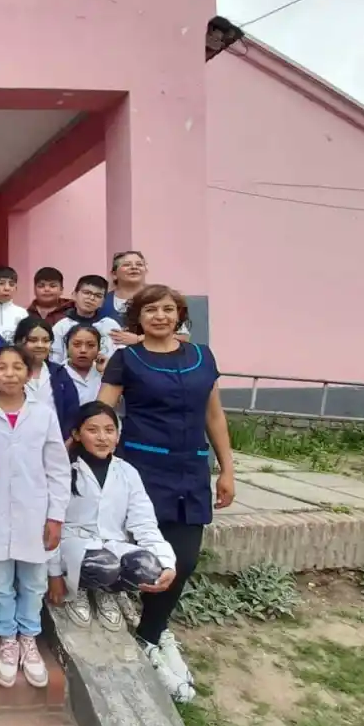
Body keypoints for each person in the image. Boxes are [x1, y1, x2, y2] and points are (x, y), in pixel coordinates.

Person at [97, 285, 235, 703]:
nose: (160, 316)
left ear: (180, 315)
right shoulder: (127, 358)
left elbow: (213, 413)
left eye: (168, 309)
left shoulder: (202, 357)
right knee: (140, 554)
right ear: (138, 317)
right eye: (151, 309)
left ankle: (151, 635)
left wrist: (227, 468)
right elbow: (102, 413)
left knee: (185, 558)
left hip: (191, 469)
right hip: (141, 470)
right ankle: (138, 626)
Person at [0, 345, 71, 689]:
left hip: (36, 511)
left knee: (33, 582)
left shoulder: (43, 414)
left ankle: (29, 637)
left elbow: (58, 469)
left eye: (18, 367)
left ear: (30, 373)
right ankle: (7, 639)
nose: (10, 373)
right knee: (0, 583)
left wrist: (56, 516)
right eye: (2, 367)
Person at [47, 402, 178, 647]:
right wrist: (54, 573)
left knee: (149, 568)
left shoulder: (127, 473)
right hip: (73, 545)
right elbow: (50, 525)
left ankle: (109, 593)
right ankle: (79, 592)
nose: (102, 437)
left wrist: (165, 562)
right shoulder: (63, 471)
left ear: (118, 436)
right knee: (105, 565)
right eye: (92, 430)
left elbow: (144, 522)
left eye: (109, 430)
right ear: (76, 434)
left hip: (113, 544)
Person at [12, 316, 79, 444]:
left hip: (54, 443)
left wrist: (66, 442)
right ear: (19, 342)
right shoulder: (8, 373)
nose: (40, 345)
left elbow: (72, 411)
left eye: (46, 340)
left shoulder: (59, 373)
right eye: (33, 340)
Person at [50, 275, 121, 365]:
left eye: (98, 296)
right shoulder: (61, 327)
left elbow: (119, 356)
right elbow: (55, 360)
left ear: (103, 302)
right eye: (86, 293)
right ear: (74, 295)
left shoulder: (110, 326)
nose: (91, 298)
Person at [0, 267, 28, 342]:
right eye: (1, 283)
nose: (7, 288)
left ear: (16, 288)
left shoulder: (22, 313)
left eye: (11, 284)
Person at [63, 324, 104, 405]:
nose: (83, 350)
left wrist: (107, 373)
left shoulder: (106, 372)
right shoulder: (55, 374)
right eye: (77, 344)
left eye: (90, 345)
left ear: (99, 348)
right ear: (67, 347)